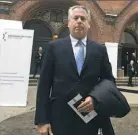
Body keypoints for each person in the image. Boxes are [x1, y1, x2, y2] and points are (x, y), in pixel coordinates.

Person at [34, 5, 116, 135]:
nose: (79, 21)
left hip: (90, 116)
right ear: (68, 23)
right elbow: (44, 85)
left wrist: (95, 98)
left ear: (88, 24)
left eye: (83, 18)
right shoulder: (54, 47)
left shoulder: (99, 50)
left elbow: (109, 80)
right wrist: (42, 120)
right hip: (59, 116)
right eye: (75, 18)